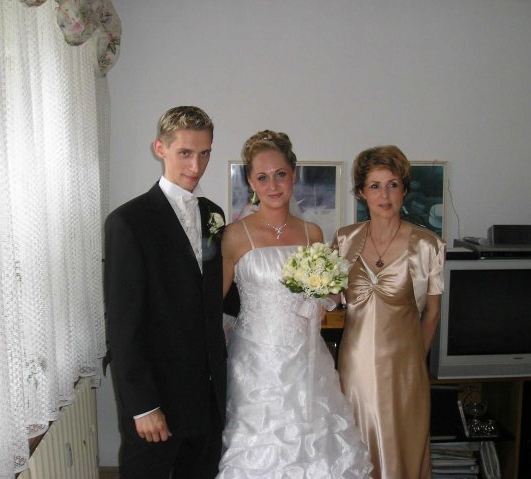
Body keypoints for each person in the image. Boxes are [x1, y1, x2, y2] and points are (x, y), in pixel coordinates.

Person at [217, 130, 372, 478]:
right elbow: (211, 305)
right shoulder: (234, 235)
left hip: (307, 360)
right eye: (262, 177)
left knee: (315, 446)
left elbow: (325, 295)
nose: (273, 185)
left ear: (294, 175)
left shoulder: (312, 233)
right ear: (250, 181)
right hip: (256, 365)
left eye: (280, 174)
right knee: (259, 450)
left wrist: (327, 297)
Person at [104, 106, 227, 478]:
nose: (196, 165)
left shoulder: (213, 215)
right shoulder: (128, 221)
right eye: (185, 153)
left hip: (206, 399)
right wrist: (142, 406)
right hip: (156, 400)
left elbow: (214, 297)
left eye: (204, 153)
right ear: (160, 148)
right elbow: (123, 324)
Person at [334, 145, 445, 479]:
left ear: (404, 190)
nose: (385, 195)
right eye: (375, 186)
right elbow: (331, 299)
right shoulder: (344, 240)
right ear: (361, 192)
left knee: (403, 451)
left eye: (393, 185)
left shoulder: (427, 244)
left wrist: (415, 359)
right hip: (354, 369)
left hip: (405, 369)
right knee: (357, 448)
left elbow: (433, 313)